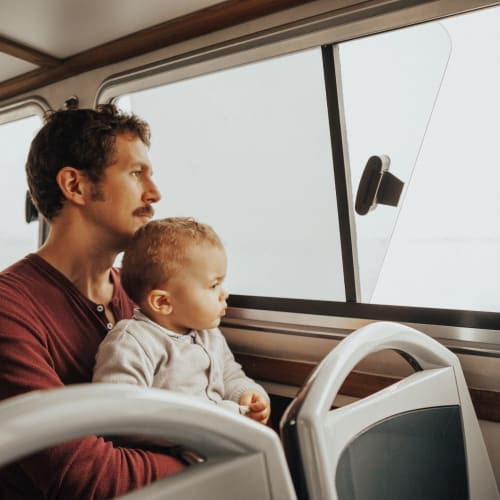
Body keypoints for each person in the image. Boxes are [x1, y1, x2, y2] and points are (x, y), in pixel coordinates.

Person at [0, 104, 186, 499]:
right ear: (75, 186)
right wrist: (213, 456)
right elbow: (86, 479)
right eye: (137, 173)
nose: (155, 194)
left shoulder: (145, 299)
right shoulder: (9, 309)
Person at [93, 217, 270, 424]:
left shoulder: (209, 335)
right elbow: (119, 412)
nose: (225, 293)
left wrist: (246, 394)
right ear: (163, 302)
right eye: (213, 285)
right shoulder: (132, 342)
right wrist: (223, 413)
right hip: (169, 446)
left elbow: (230, 376)